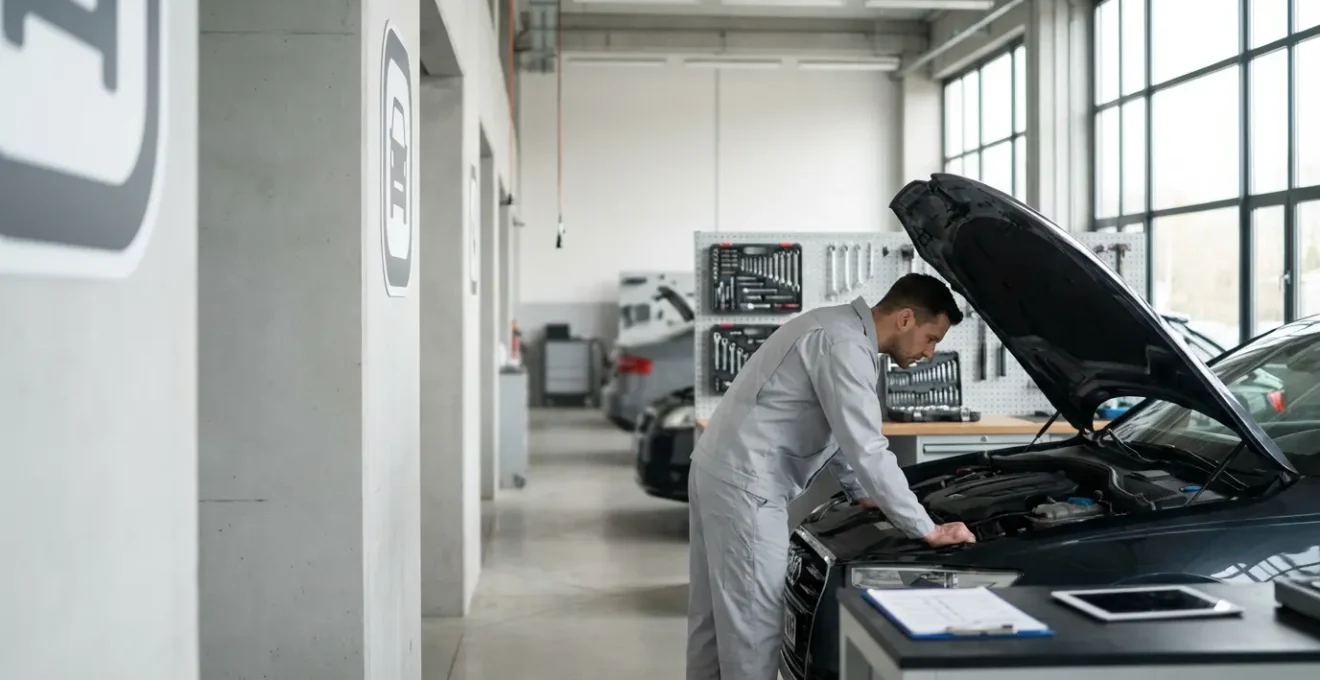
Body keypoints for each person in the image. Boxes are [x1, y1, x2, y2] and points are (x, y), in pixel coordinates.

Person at [686, 273, 977, 680]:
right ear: (906, 319)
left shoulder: (836, 326)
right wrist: (925, 528)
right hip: (747, 487)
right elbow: (867, 446)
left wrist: (862, 492)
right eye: (933, 338)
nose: (930, 353)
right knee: (754, 631)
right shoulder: (845, 346)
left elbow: (837, 430)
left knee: (712, 622)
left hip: (717, 471)